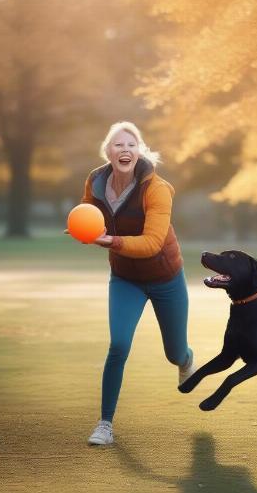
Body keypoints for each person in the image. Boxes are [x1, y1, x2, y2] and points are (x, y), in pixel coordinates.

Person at [80, 121, 195, 446]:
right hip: (125, 279)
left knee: (173, 352)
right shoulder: (96, 180)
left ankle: (186, 359)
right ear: (108, 151)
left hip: (165, 278)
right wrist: (81, 229)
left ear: (140, 151)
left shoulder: (156, 188)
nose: (125, 149)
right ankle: (105, 424)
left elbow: (152, 243)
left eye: (131, 144)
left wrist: (110, 241)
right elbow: (88, 212)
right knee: (118, 345)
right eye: (118, 144)